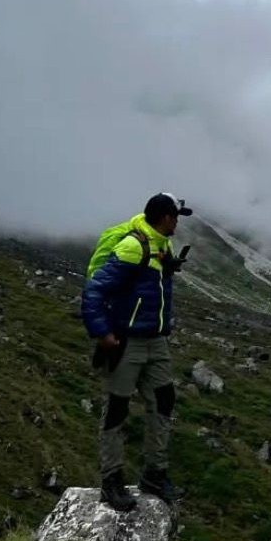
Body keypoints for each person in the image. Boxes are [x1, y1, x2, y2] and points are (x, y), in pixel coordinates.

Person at [81, 193, 192, 511]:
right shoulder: (133, 246)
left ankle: (154, 474)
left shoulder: (162, 245)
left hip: (156, 341)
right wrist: (102, 333)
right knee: (117, 408)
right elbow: (96, 289)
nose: (178, 223)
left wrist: (167, 268)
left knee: (163, 400)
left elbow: (148, 284)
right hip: (127, 341)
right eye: (176, 217)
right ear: (165, 217)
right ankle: (111, 480)